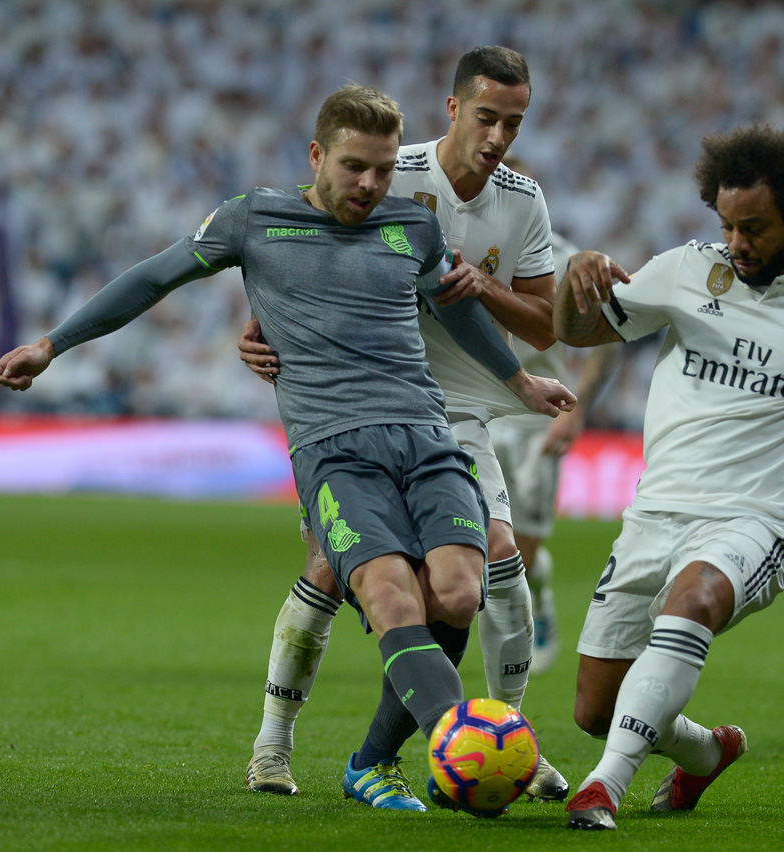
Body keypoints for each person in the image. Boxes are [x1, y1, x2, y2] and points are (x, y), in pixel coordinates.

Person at [0, 85, 577, 812]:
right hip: (334, 448)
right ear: (316, 155)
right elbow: (153, 276)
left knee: (459, 594)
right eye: (355, 167)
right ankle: (466, 741)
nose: (370, 185)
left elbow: (456, 314)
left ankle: (373, 762)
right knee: (388, 595)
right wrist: (53, 344)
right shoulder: (253, 219)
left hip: (428, 436)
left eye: (384, 170)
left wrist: (519, 382)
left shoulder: (412, 229)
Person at [552, 124, 784, 830]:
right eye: (725, 224)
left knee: (693, 600)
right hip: (656, 512)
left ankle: (603, 786)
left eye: (753, 227)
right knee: (595, 709)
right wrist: (576, 279)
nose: (736, 242)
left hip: (760, 519)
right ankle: (705, 753)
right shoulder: (686, 270)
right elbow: (577, 333)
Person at [239, 46, 586, 809]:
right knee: (330, 572)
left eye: (514, 123)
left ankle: (503, 735)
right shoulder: (396, 169)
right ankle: (273, 743)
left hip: (453, 409)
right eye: (487, 117)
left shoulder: (523, 201)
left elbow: (545, 321)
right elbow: (297, 248)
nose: (498, 137)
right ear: (456, 108)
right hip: (356, 405)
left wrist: (483, 285)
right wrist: (257, 329)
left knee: (493, 565)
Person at [487, 226, 623, 674]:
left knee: (520, 551)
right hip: (475, 411)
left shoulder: (566, 261)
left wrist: (576, 411)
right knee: (479, 540)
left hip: (536, 419)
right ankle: (504, 656)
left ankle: (538, 596)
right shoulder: (460, 243)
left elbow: (608, 336)